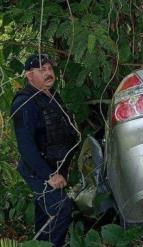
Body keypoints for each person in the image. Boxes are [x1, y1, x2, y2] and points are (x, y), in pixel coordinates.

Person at [11, 54, 78, 247]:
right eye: (42, 70)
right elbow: (26, 146)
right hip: (39, 171)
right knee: (61, 209)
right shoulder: (24, 103)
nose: (49, 73)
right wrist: (49, 175)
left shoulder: (51, 95)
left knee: (46, 215)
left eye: (50, 68)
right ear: (29, 75)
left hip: (56, 166)